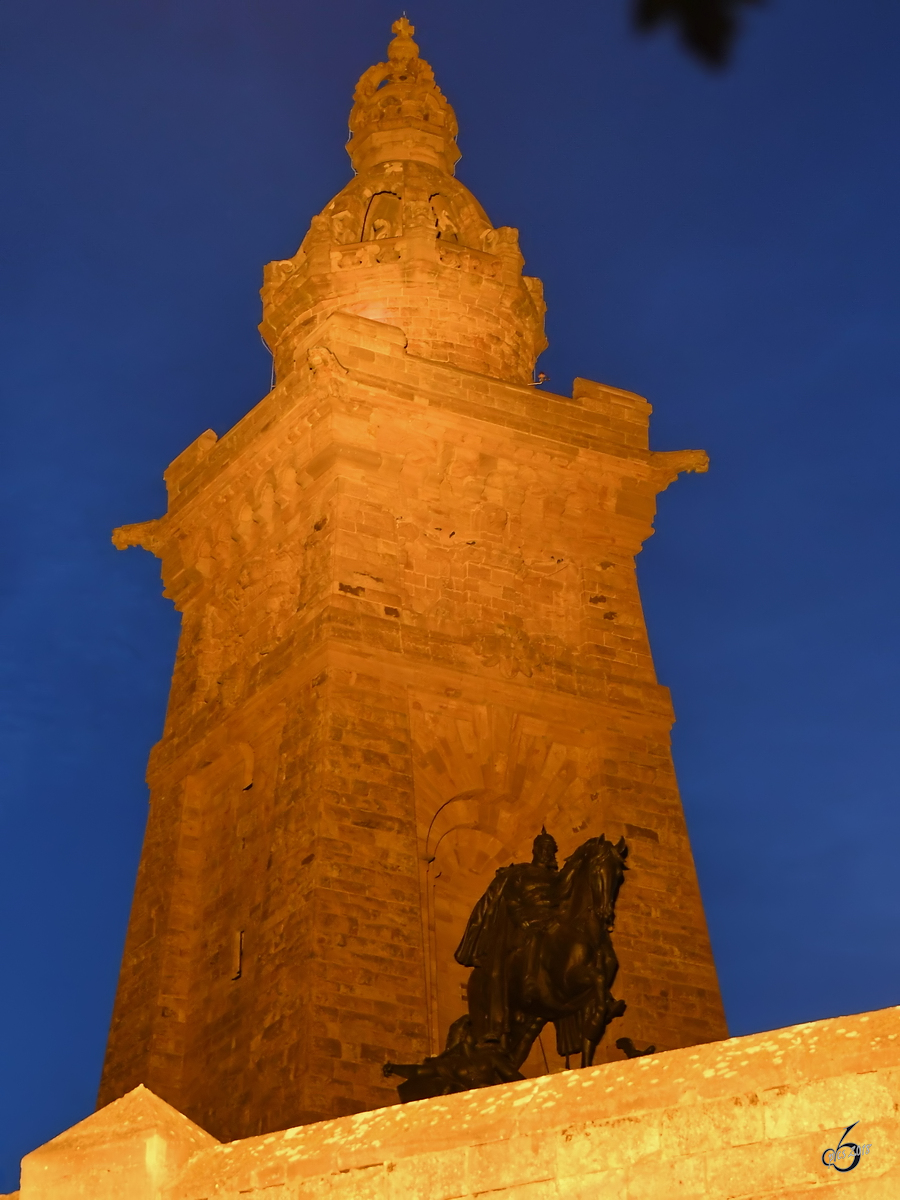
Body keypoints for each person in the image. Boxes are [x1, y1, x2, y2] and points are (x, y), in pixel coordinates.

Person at [455, 828, 560, 1046]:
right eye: (542, 848)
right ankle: (500, 1018)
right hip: (525, 924)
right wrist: (522, 917)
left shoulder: (558, 880)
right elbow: (510, 897)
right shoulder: (520, 873)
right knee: (501, 964)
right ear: (535, 850)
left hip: (551, 925)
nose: (546, 852)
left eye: (550, 849)